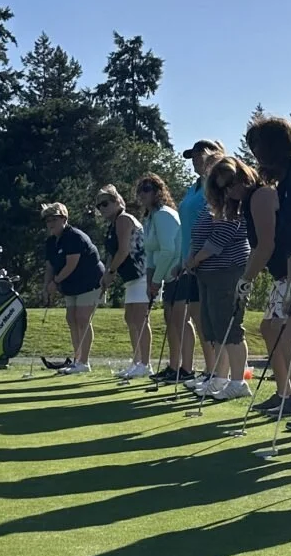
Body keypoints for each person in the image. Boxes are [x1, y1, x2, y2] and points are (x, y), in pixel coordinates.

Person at [242, 117, 291, 423]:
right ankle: (287, 392)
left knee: (286, 326)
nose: (255, 154)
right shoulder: (285, 179)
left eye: (258, 146)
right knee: (273, 326)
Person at [182, 155, 256, 398]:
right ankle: (220, 377)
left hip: (228, 272)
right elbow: (198, 235)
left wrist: (194, 260)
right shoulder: (213, 206)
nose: (227, 189)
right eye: (221, 184)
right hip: (207, 273)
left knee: (230, 328)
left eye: (230, 183)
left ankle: (238, 382)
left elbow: (218, 242)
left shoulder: (235, 211)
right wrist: (192, 259)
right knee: (213, 327)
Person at [166, 140, 223, 381]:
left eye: (201, 154)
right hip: (190, 260)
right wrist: (183, 259)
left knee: (207, 320)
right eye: (193, 155)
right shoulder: (194, 188)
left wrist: (198, 256)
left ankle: (215, 371)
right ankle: (209, 370)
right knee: (198, 318)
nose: (196, 159)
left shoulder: (217, 186)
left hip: (210, 259)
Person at [39, 201, 105, 374]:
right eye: (48, 220)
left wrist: (56, 282)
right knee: (71, 318)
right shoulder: (51, 242)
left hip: (90, 281)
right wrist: (46, 287)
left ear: (64, 219)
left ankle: (84, 362)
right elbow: (50, 267)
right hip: (71, 284)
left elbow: (71, 264)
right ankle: (77, 360)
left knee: (82, 318)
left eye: (55, 219)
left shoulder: (74, 236)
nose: (51, 223)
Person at [93, 184, 150, 379]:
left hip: (142, 273)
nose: (102, 208)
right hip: (130, 277)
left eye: (106, 203)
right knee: (130, 318)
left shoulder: (124, 219)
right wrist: (107, 275)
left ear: (118, 201)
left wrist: (111, 271)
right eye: (99, 205)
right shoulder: (112, 225)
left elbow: (124, 250)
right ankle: (137, 362)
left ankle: (145, 364)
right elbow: (112, 252)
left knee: (140, 318)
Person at [135, 175, 182, 382]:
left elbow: (168, 251)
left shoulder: (164, 215)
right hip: (166, 274)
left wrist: (157, 281)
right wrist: (150, 279)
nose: (142, 194)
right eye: (140, 190)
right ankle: (173, 366)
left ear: (158, 192)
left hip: (178, 273)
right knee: (169, 320)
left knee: (178, 321)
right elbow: (152, 253)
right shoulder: (150, 218)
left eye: (147, 189)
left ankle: (182, 367)